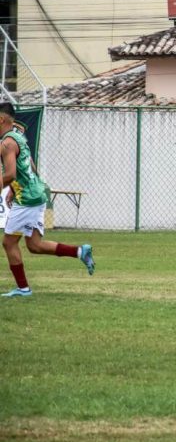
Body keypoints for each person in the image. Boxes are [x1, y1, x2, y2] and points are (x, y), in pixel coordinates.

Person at [0, 102, 95, 297]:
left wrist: (11, 186)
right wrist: (14, 189)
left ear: (1, 119)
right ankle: (80, 252)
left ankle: (23, 289)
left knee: (9, 243)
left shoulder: (6, 144)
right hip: (36, 194)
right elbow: (30, 166)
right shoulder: (18, 137)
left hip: (27, 200)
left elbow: (10, 174)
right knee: (34, 245)